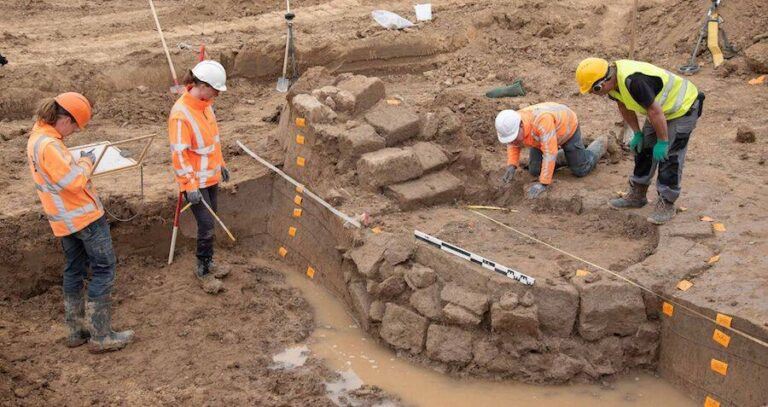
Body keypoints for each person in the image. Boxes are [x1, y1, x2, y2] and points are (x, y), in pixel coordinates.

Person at [26, 92, 134, 353]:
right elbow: (74, 182)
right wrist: (87, 161)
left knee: (74, 270)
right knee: (103, 270)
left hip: (64, 221)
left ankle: (76, 331)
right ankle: (101, 335)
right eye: (75, 125)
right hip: (84, 218)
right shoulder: (50, 145)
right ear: (64, 118)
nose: (74, 131)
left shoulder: (39, 137)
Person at [576, 57, 704, 224]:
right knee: (644, 149)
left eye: (594, 90)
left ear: (603, 82)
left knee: (669, 155)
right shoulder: (613, 85)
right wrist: (637, 133)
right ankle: (638, 194)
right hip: (659, 111)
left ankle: (667, 202)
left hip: (683, 107)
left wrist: (663, 141)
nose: (595, 94)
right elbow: (624, 106)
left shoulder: (634, 81)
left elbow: (654, 111)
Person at [168, 60, 231, 294]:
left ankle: (209, 261)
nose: (217, 94)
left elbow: (213, 139)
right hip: (194, 182)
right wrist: (189, 185)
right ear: (202, 86)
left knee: (211, 221)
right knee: (205, 224)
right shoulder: (180, 115)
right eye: (215, 89)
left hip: (211, 177)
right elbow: (179, 154)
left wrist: (221, 163)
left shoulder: (206, 105)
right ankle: (202, 269)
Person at [495, 103, 607, 198]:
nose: (512, 141)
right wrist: (512, 165)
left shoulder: (541, 122)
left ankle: (602, 142)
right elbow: (513, 144)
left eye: (514, 137)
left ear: (521, 125)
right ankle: (571, 153)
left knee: (581, 169)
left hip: (567, 129)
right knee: (535, 170)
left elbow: (549, 153)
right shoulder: (512, 122)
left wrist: (543, 184)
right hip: (542, 139)